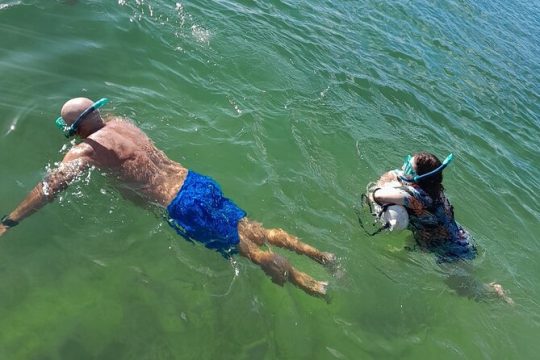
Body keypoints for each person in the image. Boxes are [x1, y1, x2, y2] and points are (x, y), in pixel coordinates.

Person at [0, 97, 336, 299]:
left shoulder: (83, 152)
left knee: (248, 251)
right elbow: (100, 123)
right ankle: (321, 255)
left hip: (180, 205)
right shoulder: (122, 122)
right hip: (197, 182)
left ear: (73, 130)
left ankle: (308, 284)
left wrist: (10, 220)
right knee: (253, 229)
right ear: (99, 113)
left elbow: (48, 189)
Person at [368, 152, 513, 303]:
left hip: (450, 249)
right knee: (414, 241)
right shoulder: (434, 188)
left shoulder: (416, 197)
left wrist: (382, 186)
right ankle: (399, 258)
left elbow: (378, 195)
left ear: (419, 177)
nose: (404, 169)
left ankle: (493, 291)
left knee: (461, 288)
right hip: (452, 235)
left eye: (408, 167)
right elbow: (397, 175)